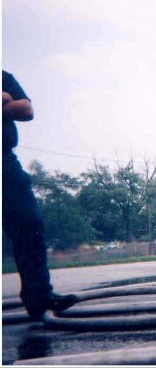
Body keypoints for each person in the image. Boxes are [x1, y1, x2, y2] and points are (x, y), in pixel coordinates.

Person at [2, 70, 78, 319]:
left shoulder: (3, 76)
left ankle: (39, 297)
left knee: (29, 224)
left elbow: (26, 110)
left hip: (5, 162)